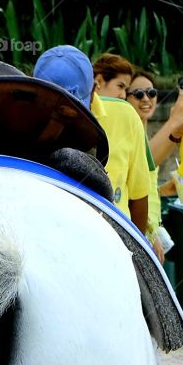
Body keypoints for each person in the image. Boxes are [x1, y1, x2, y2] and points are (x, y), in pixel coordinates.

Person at [33, 47, 150, 236]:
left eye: (73, 104)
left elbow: (139, 196)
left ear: (95, 89)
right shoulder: (23, 122)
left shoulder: (126, 116)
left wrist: (134, 254)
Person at [126, 70, 183, 248]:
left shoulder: (145, 136)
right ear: (125, 98)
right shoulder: (127, 136)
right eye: (138, 94)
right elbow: (144, 165)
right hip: (140, 233)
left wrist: (166, 189)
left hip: (152, 230)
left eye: (151, 93)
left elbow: (145, 182)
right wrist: (174, 121)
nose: (146, 99)